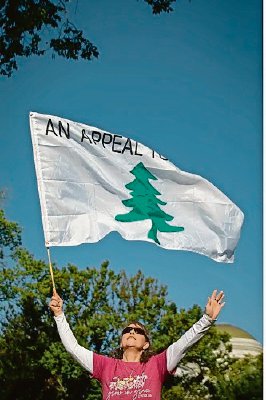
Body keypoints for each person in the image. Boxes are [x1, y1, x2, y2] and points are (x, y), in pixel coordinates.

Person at [49, 289, 225, 400]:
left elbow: (183, 344)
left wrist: (207, 319)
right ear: (121, 340)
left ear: (146, 344)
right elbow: (73, 348)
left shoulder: (157, 364)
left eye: (138, 331)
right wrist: (59, 315)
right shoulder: (105, 366)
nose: (131, 332)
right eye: (127, 330)